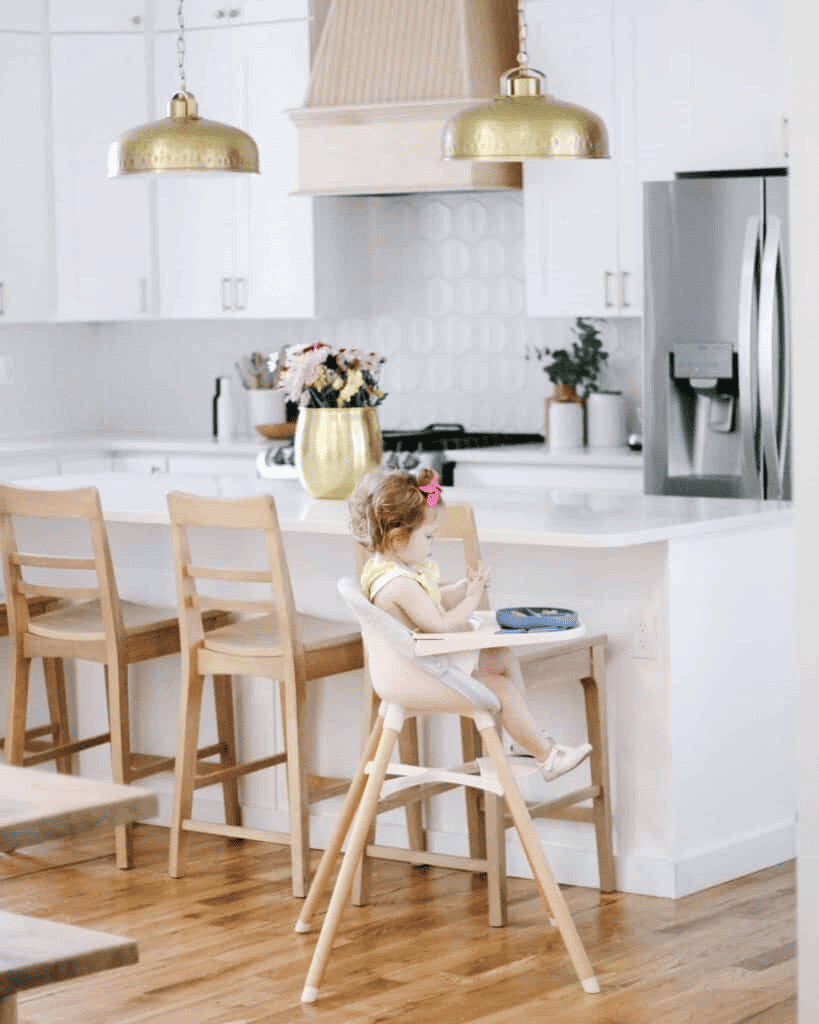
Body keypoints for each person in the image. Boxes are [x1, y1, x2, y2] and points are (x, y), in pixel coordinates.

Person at [349, 467, 592, 783]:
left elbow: (431, 601)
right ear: (397, 537)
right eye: (428, 536)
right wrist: (474, 597)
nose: (432, 544)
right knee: (500, 688)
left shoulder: (388, 571)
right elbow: (443, 625)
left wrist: (462, 587)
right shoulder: (399, 585)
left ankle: (522, 739)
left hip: (423, 664)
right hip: (423, 674)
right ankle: (546, 757)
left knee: (500, 656)